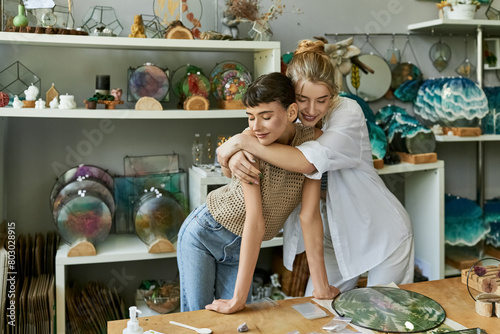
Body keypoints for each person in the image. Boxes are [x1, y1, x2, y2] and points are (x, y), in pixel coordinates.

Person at [216, 40, 414, 294]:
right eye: (302, 99)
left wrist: (242, 142)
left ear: (333, 94)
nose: (311, 110)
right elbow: (256, 137)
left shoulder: (347, 112)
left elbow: (306, 162)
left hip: (381, 232)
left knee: (381, 319)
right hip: (333, 237)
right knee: (319, 313)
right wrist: (234, 151)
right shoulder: (289, 118)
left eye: (322, 100)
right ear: (290, 99)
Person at [177, 72, 339, 314]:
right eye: (250, 117)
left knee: (237, 323)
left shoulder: (313, 143)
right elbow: (255, 220)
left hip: (241, 247)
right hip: (204, 234)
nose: (256, 126)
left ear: (291, 113)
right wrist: (238, 299)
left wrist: (322, 288)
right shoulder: (249, 143)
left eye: (266, 116)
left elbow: (310, 215)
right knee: (200, 319)